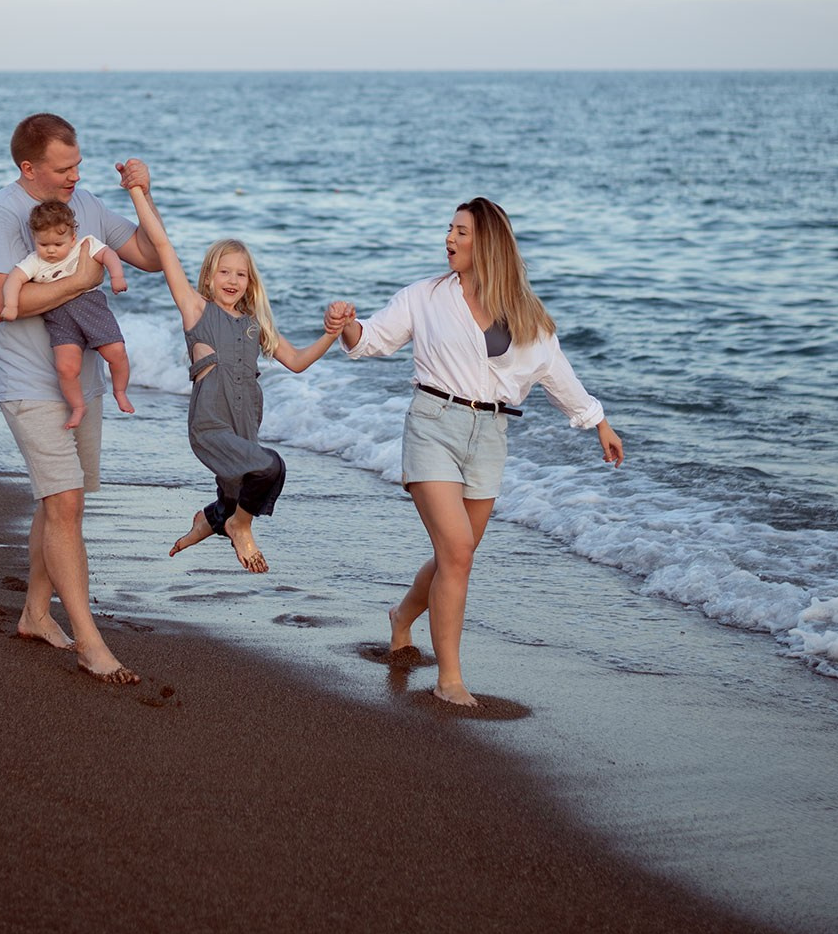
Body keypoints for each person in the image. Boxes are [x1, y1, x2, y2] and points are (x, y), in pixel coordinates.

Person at [327, 198, 623, 707]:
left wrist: (598, 421)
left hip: (491, 437)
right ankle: (450, 679)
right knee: (458, 552)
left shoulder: (525, 311)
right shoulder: (425, 296)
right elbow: (372, 340)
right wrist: (346, 323)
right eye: (449, 230)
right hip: (433, 426)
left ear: (487, 242)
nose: (450, 239)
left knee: (454, 557)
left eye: (462, 232)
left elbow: (556, 372)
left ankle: (402, 617)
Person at [0, 113, 163, 683]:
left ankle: (35, 614)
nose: (75, 176)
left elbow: (151, 258)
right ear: (29, 168)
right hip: (30, 383)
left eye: (78, 164)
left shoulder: (89, 206)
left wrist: (143, 196)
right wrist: (79, 283)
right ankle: (90, 641)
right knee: (66, 506)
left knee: (57, 502)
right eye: (64, 168)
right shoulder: (1, 216)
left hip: (81, 383)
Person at [126, 182, 343, 574]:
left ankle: (211, 519)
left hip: (244, 429)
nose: (232, 279)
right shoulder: (197, 310)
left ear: (250, 281)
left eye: (241, 274)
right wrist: (139, 191)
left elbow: (295, 360)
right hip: (211, 425)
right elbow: (163, 247)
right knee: (270, 468)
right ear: (208, 277)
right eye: (224, 271)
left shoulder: (254, 326)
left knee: (237, 492)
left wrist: (332, 332)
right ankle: (239, 526)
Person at [1, 198, 133, 426]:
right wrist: (11, 305)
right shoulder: (34, 261)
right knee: (66, 368)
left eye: (58, 244)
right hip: (59, 318)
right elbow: (14, 279)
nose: (50, 250)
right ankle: (78, 406)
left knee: (116, 352)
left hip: (91, 308)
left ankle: (120, 391)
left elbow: (109, 254)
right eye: (43, 244)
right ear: (35, 240)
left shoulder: (86, 245)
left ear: (72, 238)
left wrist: (117, 276)